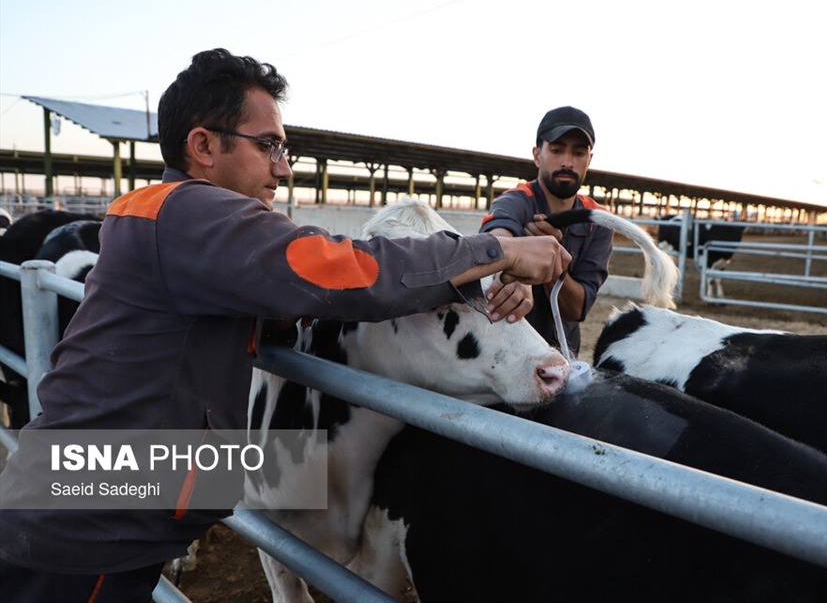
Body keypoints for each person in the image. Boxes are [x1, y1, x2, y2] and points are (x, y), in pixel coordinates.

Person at [0, 48, 569, 602]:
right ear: (202, 145)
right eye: (268, 144)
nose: (283, 167)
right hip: (86, 523)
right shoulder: (194, 214)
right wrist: (498, 249)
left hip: (78, 487)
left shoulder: (162, 214)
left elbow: (275, 316)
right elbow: (353, 271)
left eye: (285, 147)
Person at [480, 106, 613, 356]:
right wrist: (512, 261)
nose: (567, 161)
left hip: (563, 353)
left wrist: (549, 260)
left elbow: (577, 309)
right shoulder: (516, 201)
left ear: (589, 160)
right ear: (537, 155)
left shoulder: (599, 221)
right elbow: (495, 238)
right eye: (556, 149)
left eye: (579, 152)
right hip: (507, 352)